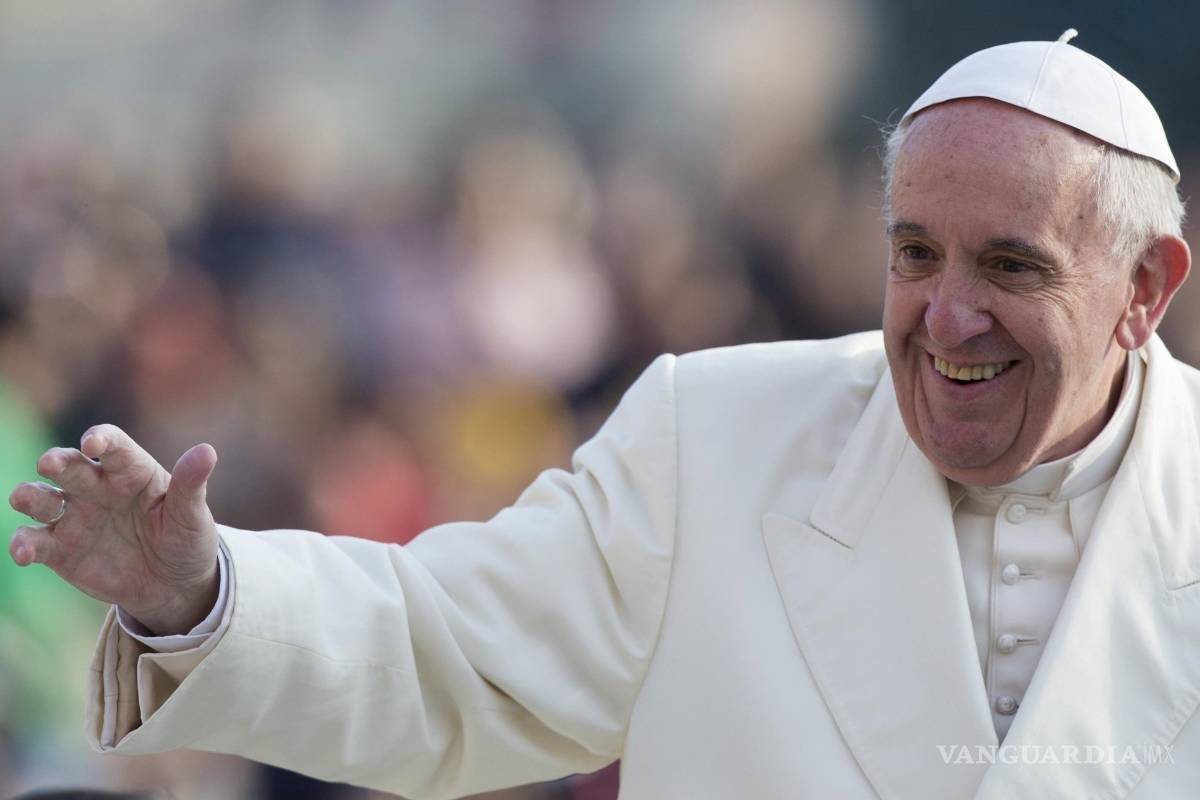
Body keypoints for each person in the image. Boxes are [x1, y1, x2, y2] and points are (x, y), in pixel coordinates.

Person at [8, 31, 1200, 800]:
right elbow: (447, 651)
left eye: (1010, 267)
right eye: (915, 253)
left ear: (1145, 289)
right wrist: (198, 592)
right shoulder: (720, 433)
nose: (946, 318)